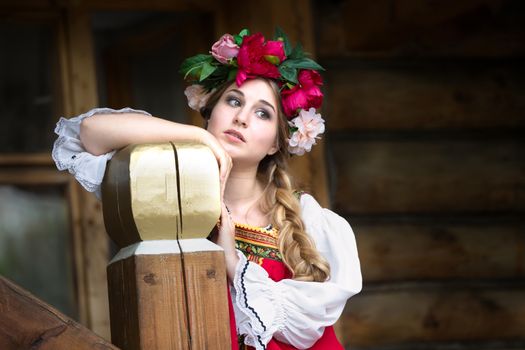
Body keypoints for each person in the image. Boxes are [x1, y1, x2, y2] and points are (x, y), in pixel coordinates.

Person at [52, 28, 362, 350]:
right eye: (233, 100)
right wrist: (198, 138)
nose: (241, 118)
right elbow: (90, 131)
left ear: (276, 143)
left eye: (262, 113)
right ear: (210, 112)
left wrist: (232, 261)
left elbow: (307, 331)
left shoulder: (306, 217)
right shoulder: (170, 190)